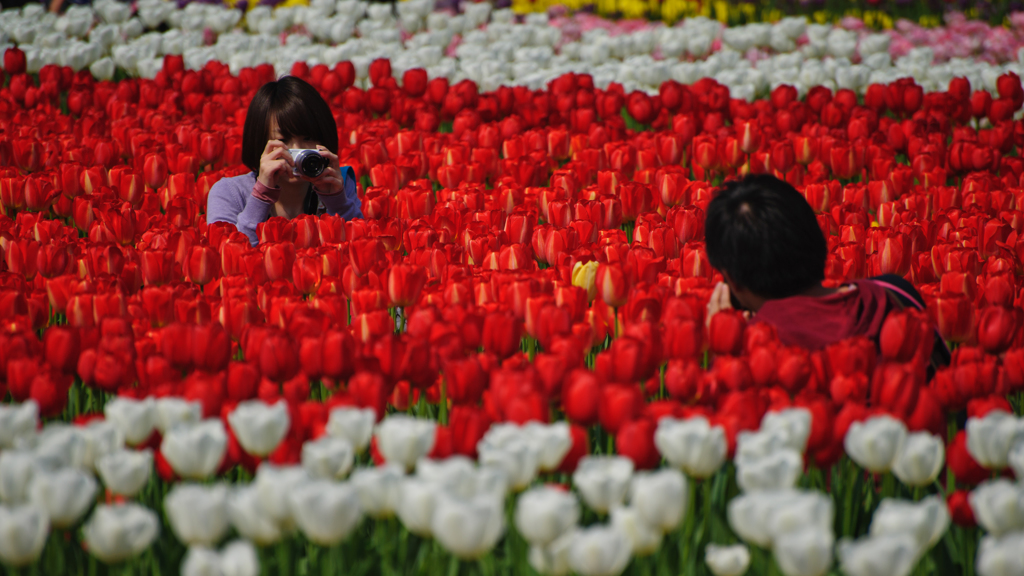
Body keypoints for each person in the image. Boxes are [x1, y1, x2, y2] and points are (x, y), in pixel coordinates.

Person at [703, 174, 949, 366]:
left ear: (733, 282)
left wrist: (724, 346)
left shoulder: (756, 350)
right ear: (816, 238)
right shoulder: (896, 293)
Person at [207, 75, 362, 246]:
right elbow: (228, 257)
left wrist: (337, 202)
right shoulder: (230, 193)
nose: (298, 150)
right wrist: (261, 195)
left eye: (308, 137)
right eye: (283, 140)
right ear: (260, 142)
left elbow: (361, 250)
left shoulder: (337, 183)